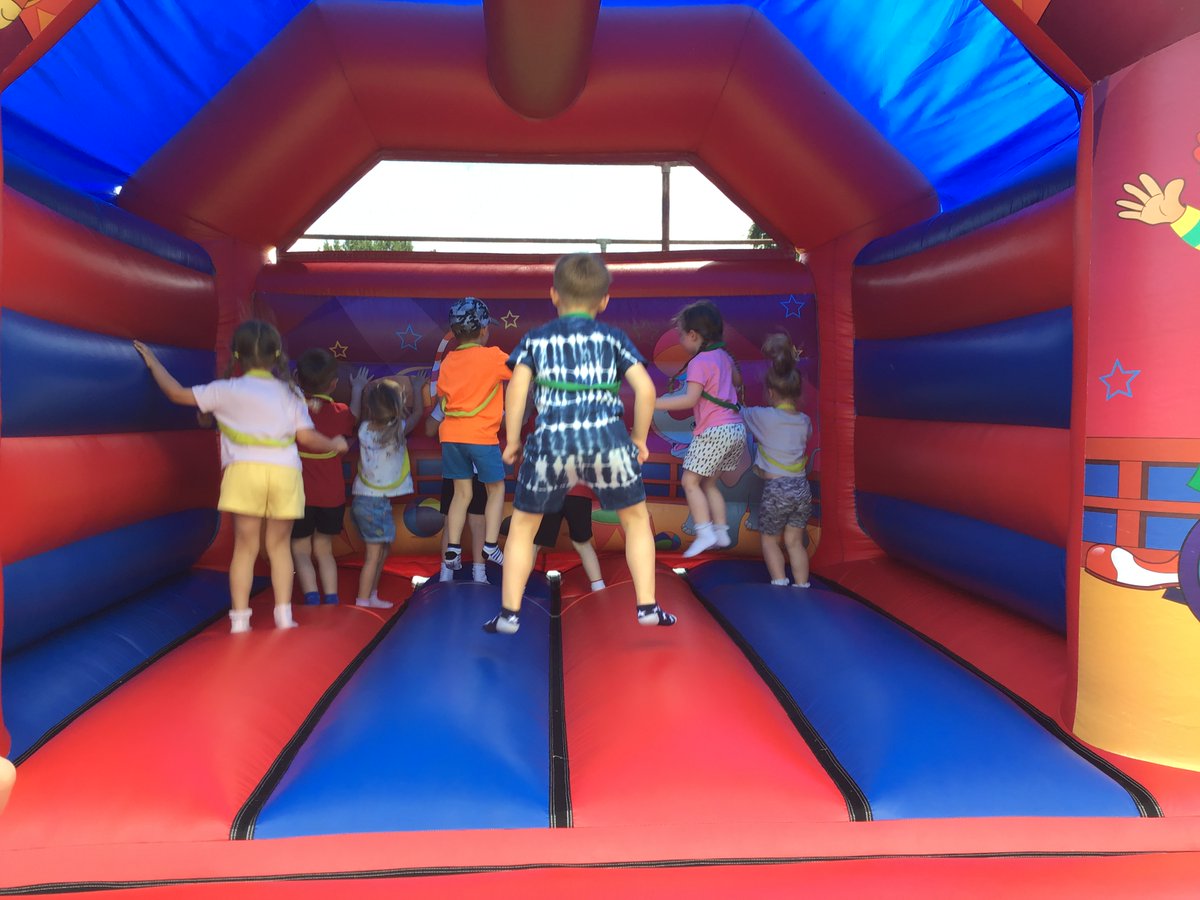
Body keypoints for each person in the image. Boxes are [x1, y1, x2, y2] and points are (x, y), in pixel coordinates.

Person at [487, 252, 675, 633]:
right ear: (604, 300)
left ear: (554, 294)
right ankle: (647, 606)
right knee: (636, 520)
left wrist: (510, 439)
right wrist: (638, 437)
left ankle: (509, 613)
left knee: (523, 526)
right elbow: (646, 390)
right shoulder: (614, 339)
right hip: (605, 438)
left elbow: (518, 389)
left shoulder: (536, 340)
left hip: (552, 440)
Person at [134, 321, 348, 633]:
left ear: (238, 355)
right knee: (278, 547)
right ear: (276, 356)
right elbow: (307, 437)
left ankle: (240, 619)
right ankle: (284, 616)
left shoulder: (224, 390)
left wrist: (153, 361)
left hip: (243, 473)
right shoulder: (289, 393)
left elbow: (176, 394)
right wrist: (335, 444)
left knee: (245, 548)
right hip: (283, 474)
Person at [654, 300, 746, 558]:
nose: (681, 341)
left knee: (689, 481)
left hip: (714, 431)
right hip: (735, 430)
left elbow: (689, 399)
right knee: (709, 484)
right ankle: (721, 530)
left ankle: (704, 531)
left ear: (693, 335)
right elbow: (738, 380)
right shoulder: (724, 357)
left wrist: (654, 402)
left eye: (681, 335)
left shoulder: (699, 361)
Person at [435, 297, 511, 572]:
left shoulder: (449, 360)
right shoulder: (492, 356)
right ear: (483, 329)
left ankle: (453, 548)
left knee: (461, 493)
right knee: (496, 488)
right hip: (480, 436)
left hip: (452, 436)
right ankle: (490, 544)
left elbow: (443, 394)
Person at [741, 334, 813, 588]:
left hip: (778, 490)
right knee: (794, 541)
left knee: (770, 540)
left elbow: (737, 412)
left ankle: (779, 581)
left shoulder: (763, 416)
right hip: (802, 489)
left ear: (770, 392)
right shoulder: (804, 420)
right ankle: (802, 585)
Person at [291, 349, 356, 606]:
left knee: (300, 550)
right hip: (332, 497)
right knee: (324, 550)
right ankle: (331, 597)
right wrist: (360, 390)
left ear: (298, 378)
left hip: (301, 496)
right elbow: (354, 418)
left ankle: (311, 596)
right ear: (334, 383)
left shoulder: (294, 411)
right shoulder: (341, 412)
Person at [351, 377, 422, 609]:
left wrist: (358, 389)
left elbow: (363, 414)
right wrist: (418, 389)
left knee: (382, 549)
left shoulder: (363, 430)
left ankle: (371, 594)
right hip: (375, 503)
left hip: (364, 500)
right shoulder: (397, 431)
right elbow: (418, 414)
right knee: (374, 555)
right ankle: (363, 600)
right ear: (396, 408)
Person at [425, 405, 489, 583]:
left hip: (469, 468)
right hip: (463, 468)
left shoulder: (450, 397)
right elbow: (429, 428)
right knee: (463, 522)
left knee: (473, 521)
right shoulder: (484, 394)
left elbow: (429, 427)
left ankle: (474, 574)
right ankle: (457, 573)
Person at [534, 485, 606, 591]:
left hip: (551, 492)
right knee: (583, 545)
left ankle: (519, 585)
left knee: (534, 544)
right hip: (579, 492)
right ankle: (599, 586)